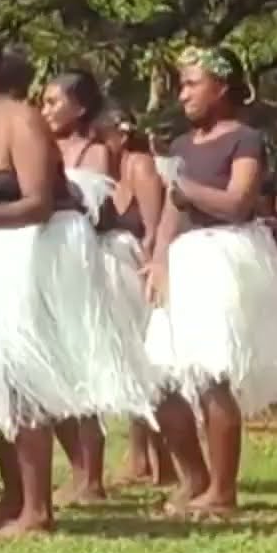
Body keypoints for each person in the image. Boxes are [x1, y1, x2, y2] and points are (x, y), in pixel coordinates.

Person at [0, 28, 159, 536]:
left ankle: (38, 510)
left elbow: (36, 201)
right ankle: (16, 495)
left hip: (46, 248)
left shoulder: (22, 121)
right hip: (0, 252)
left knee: (23, 378)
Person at [144, 46, 277, 516]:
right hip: (183, 257)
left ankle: (223, 488)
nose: (184, 95)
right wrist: (158, 259)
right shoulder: (180, 146)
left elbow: (238, 201)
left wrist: (186, 188)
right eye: (182, 85)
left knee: (212, 375)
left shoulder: (245, 139)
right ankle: (193, 477)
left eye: (192, 84)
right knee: (160, 377)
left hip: (224, 255)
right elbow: (169, 214)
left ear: (221, 87)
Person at [41, 70, 115, 504]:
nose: (46, 109)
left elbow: (95, 205)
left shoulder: (95, 152)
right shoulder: (41, 146)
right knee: (52, 366)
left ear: (80, 107)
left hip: (80, 260)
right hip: (44, 258)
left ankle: (92, 475)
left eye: (54, 101)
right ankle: (74, 467)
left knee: (82, 364)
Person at [93, 106, 175, 487]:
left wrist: (152, 271)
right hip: (113, 273)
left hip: (139, 269)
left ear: (120, 136)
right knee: (128, 360)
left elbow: (155, 227)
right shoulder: (104, 175)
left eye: (101, 138)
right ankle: (138, 454)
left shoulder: (140, 165)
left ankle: (163, 457)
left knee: (149, 361)